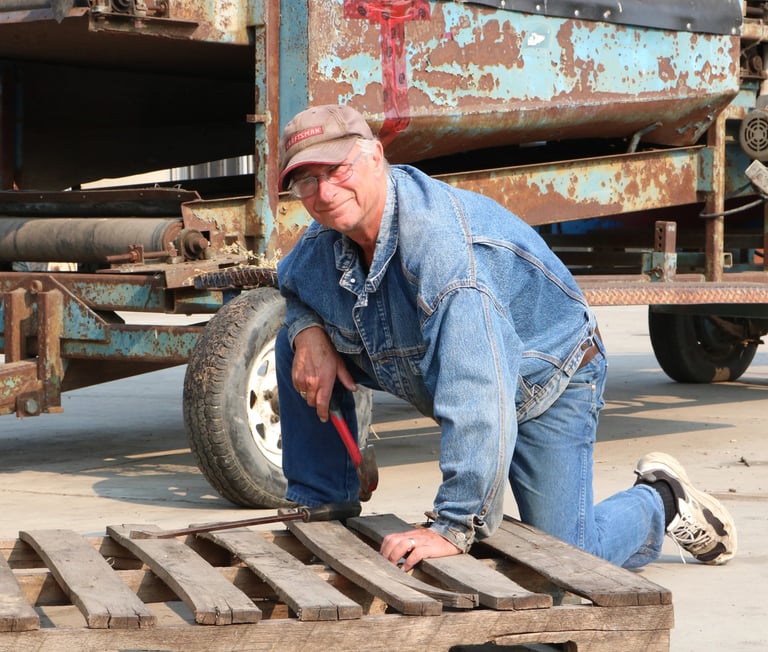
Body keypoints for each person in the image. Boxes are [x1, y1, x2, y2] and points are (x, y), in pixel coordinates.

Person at [275, 104, 737, 571]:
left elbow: (476, 391)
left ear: (375, 156)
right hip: (452, 366)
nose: (325, 192)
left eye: (337, 169)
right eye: (306, 181)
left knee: (566, 563)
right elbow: (291, 285)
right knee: (295, 344)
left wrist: (453, 526)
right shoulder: (326, 241)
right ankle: (321, 503)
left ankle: (661, 500)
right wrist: (306, 329)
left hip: (548, 377)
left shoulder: (447, 258)